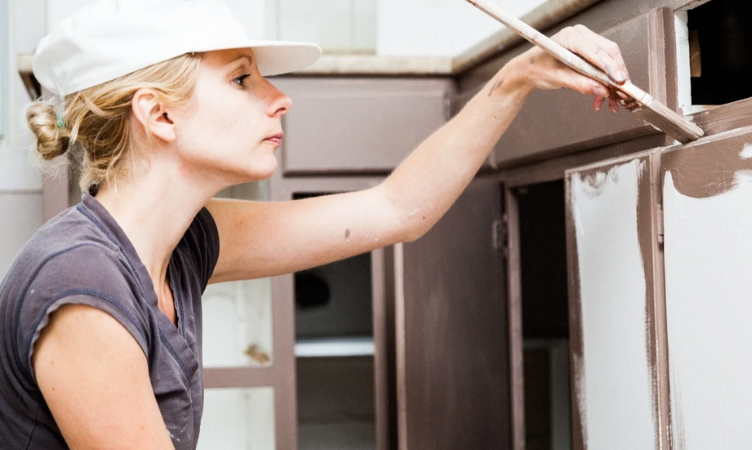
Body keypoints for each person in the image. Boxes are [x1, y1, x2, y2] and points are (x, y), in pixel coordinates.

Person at [0, 0, 631, 448]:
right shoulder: (82, 286)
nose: (279, 96)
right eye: (242, 77)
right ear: (159, 116)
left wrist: (517, 78)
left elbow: (395, 211)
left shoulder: (184, 242)